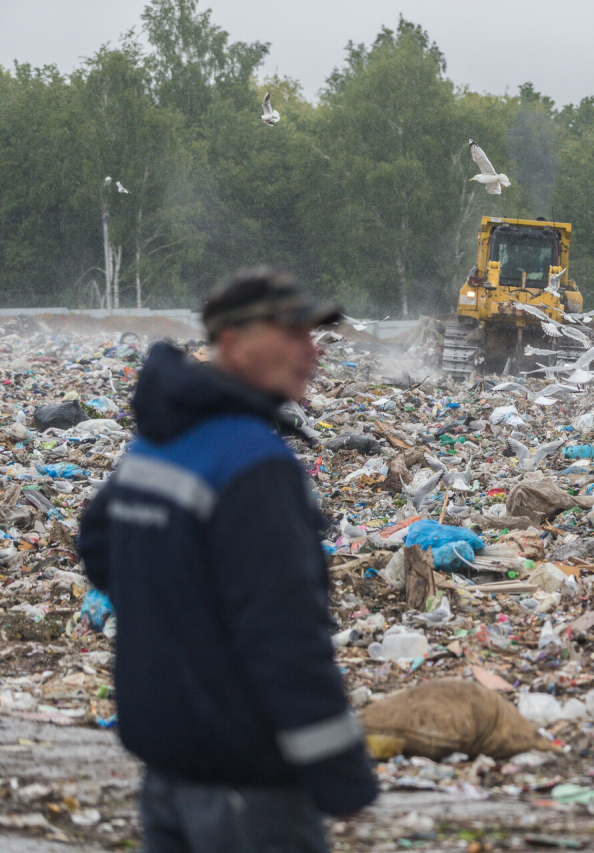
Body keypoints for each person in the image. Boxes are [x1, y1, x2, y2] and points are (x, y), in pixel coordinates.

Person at [78, 268, 378, 851]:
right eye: (292, 334)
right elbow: (285, 635)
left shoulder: (160, 439)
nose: (311, 351)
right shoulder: (252, 464)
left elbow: (100, 550)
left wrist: (180, 630)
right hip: (249, 785)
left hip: (167, 766)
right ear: (236, 343)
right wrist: (341, 775)